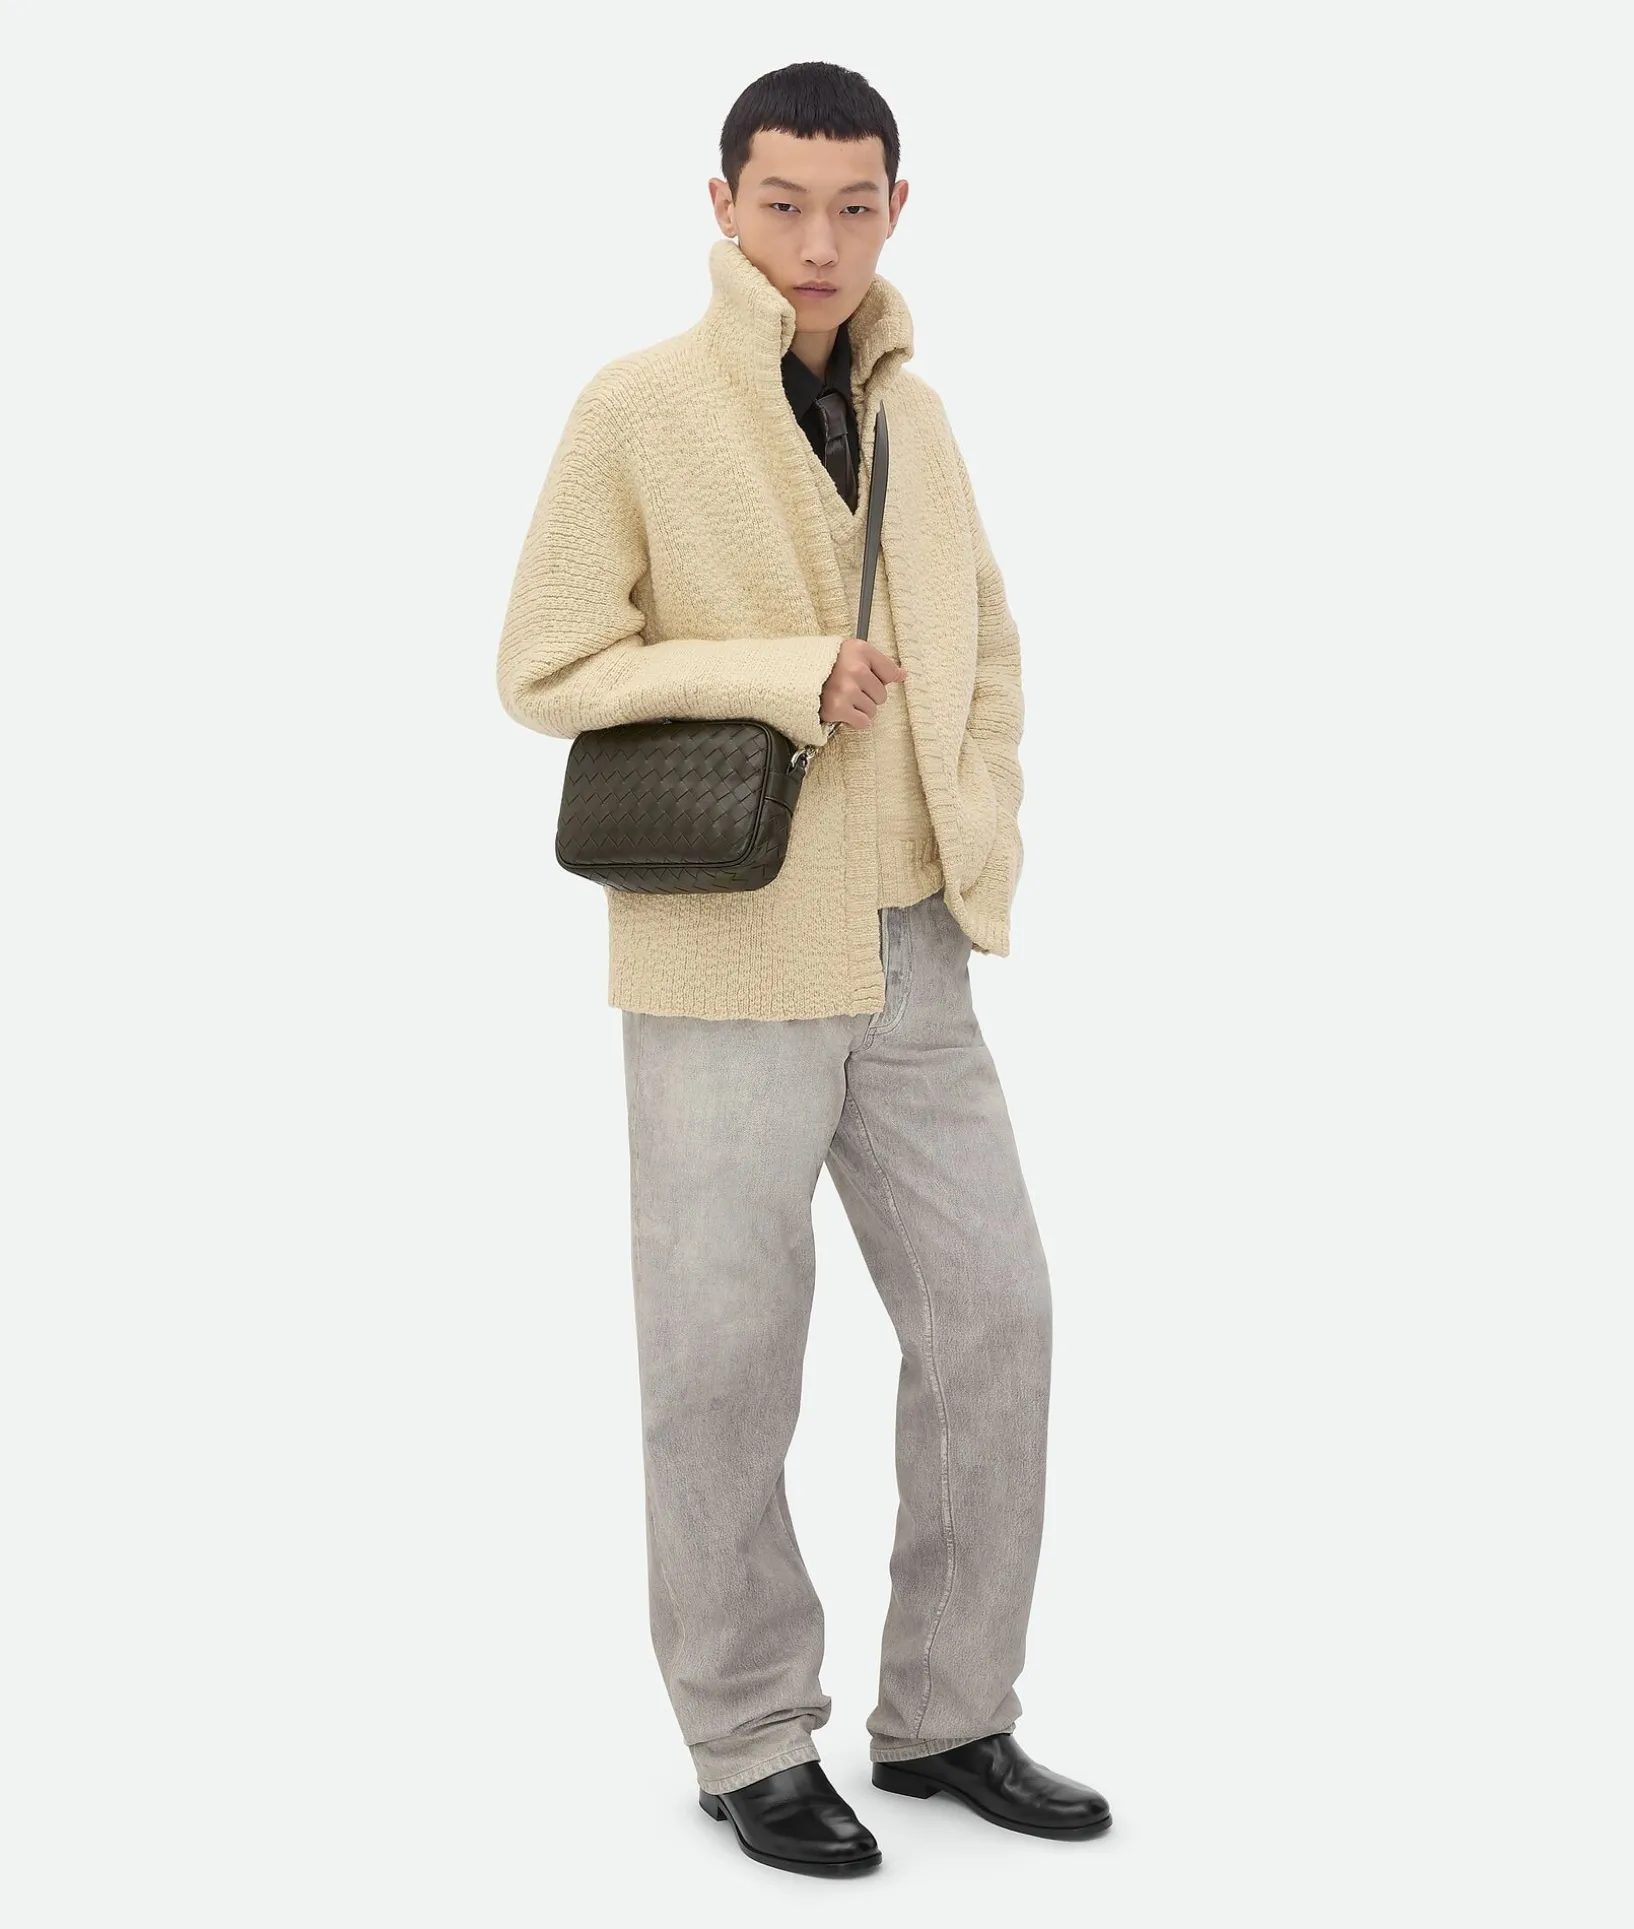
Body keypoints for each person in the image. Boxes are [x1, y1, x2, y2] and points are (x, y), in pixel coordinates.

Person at [495, 61, 1111, 1878]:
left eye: (853, 206)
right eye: (782, 204)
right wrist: (779, 676)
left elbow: (990, 644)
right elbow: (543, 665)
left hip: (914, 950)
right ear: (722, 206)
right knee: (721, 1366)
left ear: (896, 210)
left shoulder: (919, 418)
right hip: (724, 949)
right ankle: (751, 1736)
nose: (818, 241)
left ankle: (949, 1714)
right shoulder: (637, 408)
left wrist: (976, 823)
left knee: (994, 1321)